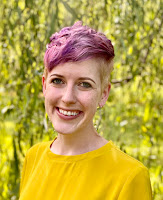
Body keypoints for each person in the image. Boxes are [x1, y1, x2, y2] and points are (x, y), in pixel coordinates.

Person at [19, 21, 152, 200]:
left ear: (103, 94)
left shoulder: (129, 177)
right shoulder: (33, 158)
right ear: (44, 85)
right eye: (58, 81)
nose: (67, 98)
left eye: (84, 84)